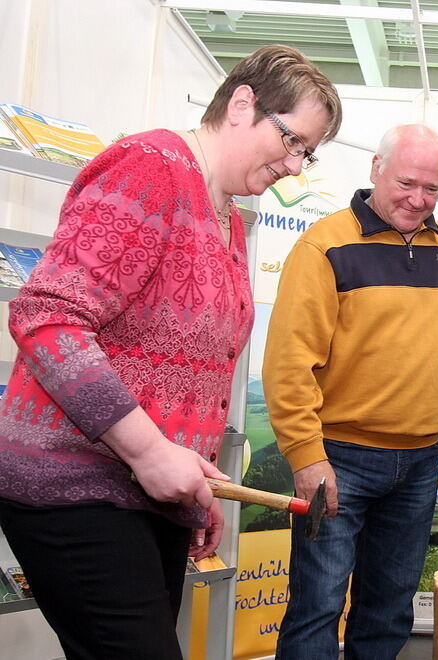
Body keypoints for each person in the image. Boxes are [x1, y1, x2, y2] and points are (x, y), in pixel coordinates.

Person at [0, 45, 341, 660]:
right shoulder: (148, 166)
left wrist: (191, 490)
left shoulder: (230, 216)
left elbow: (188, 373)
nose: (294, 166)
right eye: (292, 142)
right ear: (243, 104)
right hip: (78, 487)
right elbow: (47, 318)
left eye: (306, 154)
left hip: (144, 491)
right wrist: (151, 451)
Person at [263, 123, 438, 660]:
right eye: (406, 183)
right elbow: (289, 363)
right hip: (339, 460)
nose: (418, 199)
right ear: (375, 168)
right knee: (317, 607)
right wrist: (307, 457)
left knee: (389, 611)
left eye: (432, 188)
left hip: (420, 463)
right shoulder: (324, 245)